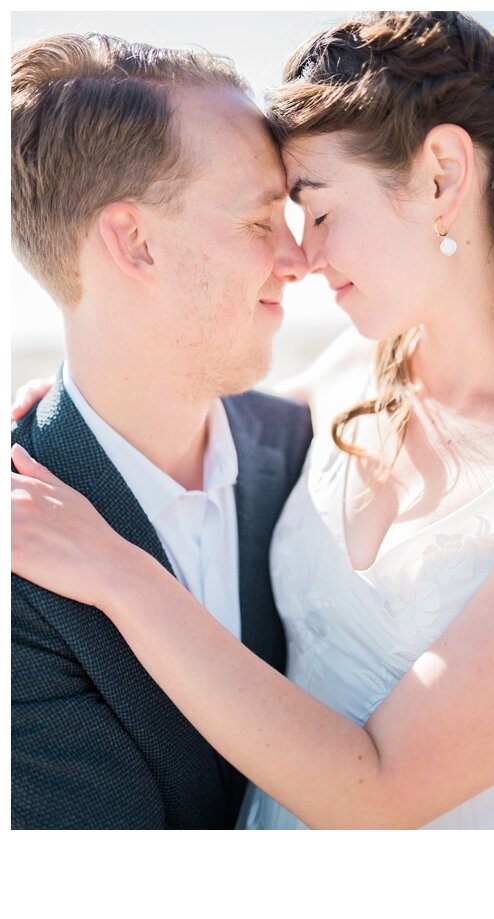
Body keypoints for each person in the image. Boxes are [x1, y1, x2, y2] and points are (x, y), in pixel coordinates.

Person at [12, 11, 494, 830]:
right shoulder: (344, 386)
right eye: (269, 218)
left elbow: (379, 788)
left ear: (444, 178)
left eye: (315, 212)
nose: (302, 257)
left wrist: (121, 573)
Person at [10, 34, 312, 828]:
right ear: (135, 241)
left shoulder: (312, 451)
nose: (297, 257)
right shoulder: (16, 563)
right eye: (258, 220)